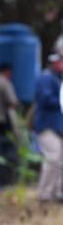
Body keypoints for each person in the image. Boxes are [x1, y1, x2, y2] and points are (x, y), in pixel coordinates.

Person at [33, 53, 63, 203]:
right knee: (53, 158)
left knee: (59, 160)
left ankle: (57, 193)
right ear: (53, 63)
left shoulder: (58, 79)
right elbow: (45, 100)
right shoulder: (46, 78)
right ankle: (44, 194)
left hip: (57, 127)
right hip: (47, 126)